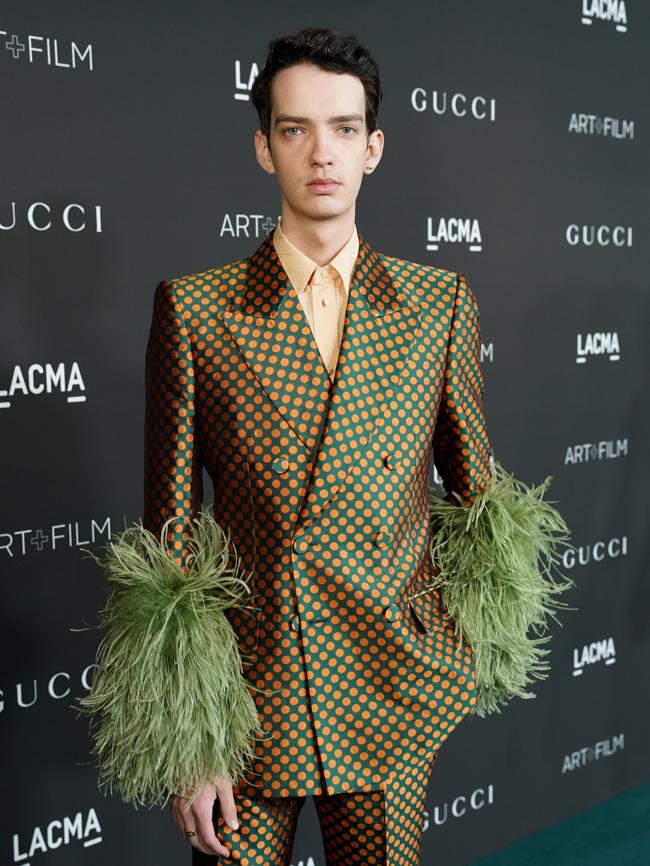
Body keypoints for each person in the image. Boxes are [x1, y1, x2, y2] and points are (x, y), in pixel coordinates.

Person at [79, 24, 573, 866]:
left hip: (390, 680)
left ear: (373, 148)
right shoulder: (197, 309)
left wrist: (454, 650)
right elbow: (169, 543)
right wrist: (191, 734)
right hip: (252, 698)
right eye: (295, 128)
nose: (322, 152)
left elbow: (479, 496)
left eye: (344, 128)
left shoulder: (437, 302)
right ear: (264, 148)